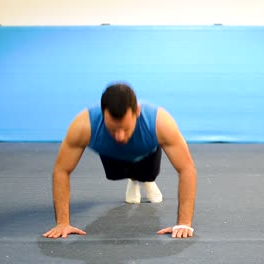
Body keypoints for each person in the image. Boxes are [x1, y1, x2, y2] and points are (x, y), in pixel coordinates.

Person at [42, 82, 197, 239]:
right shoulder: (83, 125)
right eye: (113, 129)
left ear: (137, 112)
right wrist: (62, 223)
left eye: (125, 128)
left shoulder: (159, 123)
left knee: (148, 175)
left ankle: (143, 179)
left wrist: (184, 223)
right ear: (103, 114)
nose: (120, 136)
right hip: (111, 153)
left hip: (146, 151)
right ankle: (133, 177)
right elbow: (62, 169)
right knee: (114, 174)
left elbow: (187, 168)